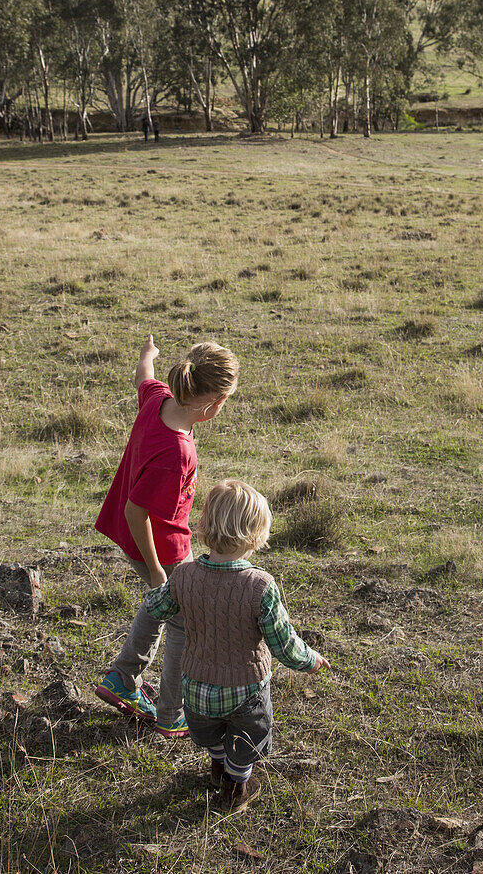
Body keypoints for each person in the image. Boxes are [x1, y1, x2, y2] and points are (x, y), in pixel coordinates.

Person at [144, 479, 330, 810]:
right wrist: (310, 659)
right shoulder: (260, 586)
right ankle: (235, 786)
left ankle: (218, 765)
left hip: (197, 690)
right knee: (246, 743)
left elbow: (155, 608)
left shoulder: (185, 576)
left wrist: (173, 586)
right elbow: (284, 644)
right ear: (256, 535)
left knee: (211, 734)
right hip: (246, 692)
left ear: (204, 526)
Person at [93, 336, 240, 737]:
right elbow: (135, 511)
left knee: (163, 607)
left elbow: (144, 376)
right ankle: (170, 712)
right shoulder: (177, 452)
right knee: (183, 624)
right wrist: (159, 572)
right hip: (162, 547)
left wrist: (147, 355)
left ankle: (124, 676)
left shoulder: (158, 398)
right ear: (214, 405)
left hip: (139, 540)